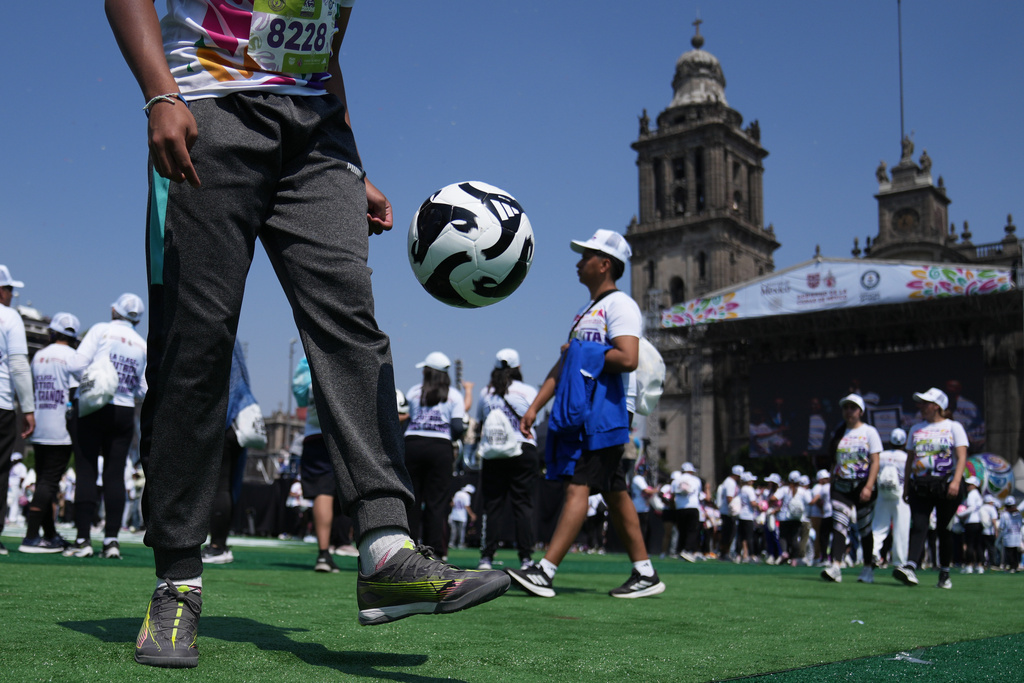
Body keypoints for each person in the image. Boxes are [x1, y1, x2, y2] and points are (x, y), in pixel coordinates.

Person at [105, 1, 509, 668]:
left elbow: (324, 46)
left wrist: (353, 161)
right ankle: (177, 580)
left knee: (353, 327)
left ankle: (384, 548)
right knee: (196, 347)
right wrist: (158, 92)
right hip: (207, 104)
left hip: (318, 136)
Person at [507, 229, 665, 599]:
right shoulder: (587, 312)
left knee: (579, 483)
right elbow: (564, 364)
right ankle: (645, 572)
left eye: (586, 256)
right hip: (590, 411)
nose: (579, 263)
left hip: (607, 412)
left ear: (605, 264)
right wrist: (534, 407)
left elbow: (628, 357)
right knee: (612, 489)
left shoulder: (620, 306)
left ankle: (545, 572)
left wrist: (581, 351)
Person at [65, 294, 148, 560]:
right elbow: (144, 388)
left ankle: (83, 539)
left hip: (92, 406)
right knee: (115, 475)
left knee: (87, 470)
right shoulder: (141, 343)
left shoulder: (101, 330)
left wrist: (95, 379)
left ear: (115, 310)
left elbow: (76, 365)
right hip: (123, 410)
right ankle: (112, 540)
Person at [893, 387, 968, 590]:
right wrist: (906, 486)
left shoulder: (954, 427)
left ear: (937, 407)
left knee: (944, 529)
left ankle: (944, 572)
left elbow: (961, 457)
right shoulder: (916, 429)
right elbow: (910, 460)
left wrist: (955, 482)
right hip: (921, 485)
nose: (922, 406)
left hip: (946, 484)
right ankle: (910, 566)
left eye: (926, 403)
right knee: (919, 525)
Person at [19, 313, 81, 553]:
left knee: (46, 480)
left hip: (41, 423)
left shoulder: (40, 356)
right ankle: (32, 536)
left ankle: (49, 534)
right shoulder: (73, 357)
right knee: (49, 481)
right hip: (61, 428)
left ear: (53, 332)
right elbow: (76, 393)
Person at [476, 348, 540, 571]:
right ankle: (526, 559)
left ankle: (486, 558)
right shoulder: (529, 391)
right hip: (523, 449)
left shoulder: (486, 393)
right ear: (518, 368)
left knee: (493, 505)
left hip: (495, 452)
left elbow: (480, 422)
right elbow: (534, 420)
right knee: (523, 505)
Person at [202, 340, 265, 565]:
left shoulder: (210, 335)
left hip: (225, 421)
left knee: (220, 485)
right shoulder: (234, 344)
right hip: (239, 422)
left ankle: (218, 545)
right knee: (227, 485)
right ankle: (219, 543)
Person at [404, 352, 466, 555]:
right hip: (440, 448)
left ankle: (408, 550)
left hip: (412, 444)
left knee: (412, 501)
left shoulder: (414, 391)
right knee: (436, 503)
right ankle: (434, 551)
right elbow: (457, 427)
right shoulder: (454, 395)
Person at [821, 394, 881, 584]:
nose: (849, 411)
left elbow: (875, 461)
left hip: (864, 486)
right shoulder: (838, 433)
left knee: (864, 528)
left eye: (853, 408)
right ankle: (836, 566)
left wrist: (869, 486)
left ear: (860, 411)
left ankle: (867, 568)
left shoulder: (869, 432)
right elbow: (833, 460)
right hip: (841, 486)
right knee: (839, 524)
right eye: (846, 407)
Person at [0, 265, 35, 555]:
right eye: (9, 289)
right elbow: (19, 365)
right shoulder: (8, 316)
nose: (12, 295)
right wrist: (28, 407)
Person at [871, 428, 910, 570]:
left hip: (882, 494)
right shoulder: (906, 457)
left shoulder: (881, 456)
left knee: (878, 526)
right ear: (905, 442)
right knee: (901, 528)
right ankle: (899, 562)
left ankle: (873, 552)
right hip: (900, 496)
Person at [674, 463, 702, 562]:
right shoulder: (696, 480)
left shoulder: (676, 480)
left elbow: (673, 495)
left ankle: (680, 550)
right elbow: (698, 494)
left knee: (682, 530)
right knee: (692, 530)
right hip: (693, 506)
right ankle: (687, 550)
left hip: (680, 508)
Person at [957, 476, 985, 574]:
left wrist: (960, 514)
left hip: (971, 522)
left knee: (970, 544)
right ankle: (980, 566)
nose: (967, 486)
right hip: (978, 522)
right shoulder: (978, 494)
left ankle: (969, 565)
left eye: (969, 484)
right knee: (978, 545)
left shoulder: (972, 494)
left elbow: (971, 508)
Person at [997, 497, 1021, 573]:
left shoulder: (1004, 515)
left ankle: (1012, 567)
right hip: (1016, 536)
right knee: (1015, 553)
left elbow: (1001, 526)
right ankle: (1015, 567)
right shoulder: (1018, 514)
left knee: (1010, 553)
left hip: (1008, 537)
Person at [449, 484, 476, 550]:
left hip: (454, 514)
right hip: (462, 516)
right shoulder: (466, 496)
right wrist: (472, 515)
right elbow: (467, 506)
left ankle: (451, 543)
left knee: (454, 531)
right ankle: (460, 544)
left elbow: (452, 504)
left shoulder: (457, 493)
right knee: (461, 531)